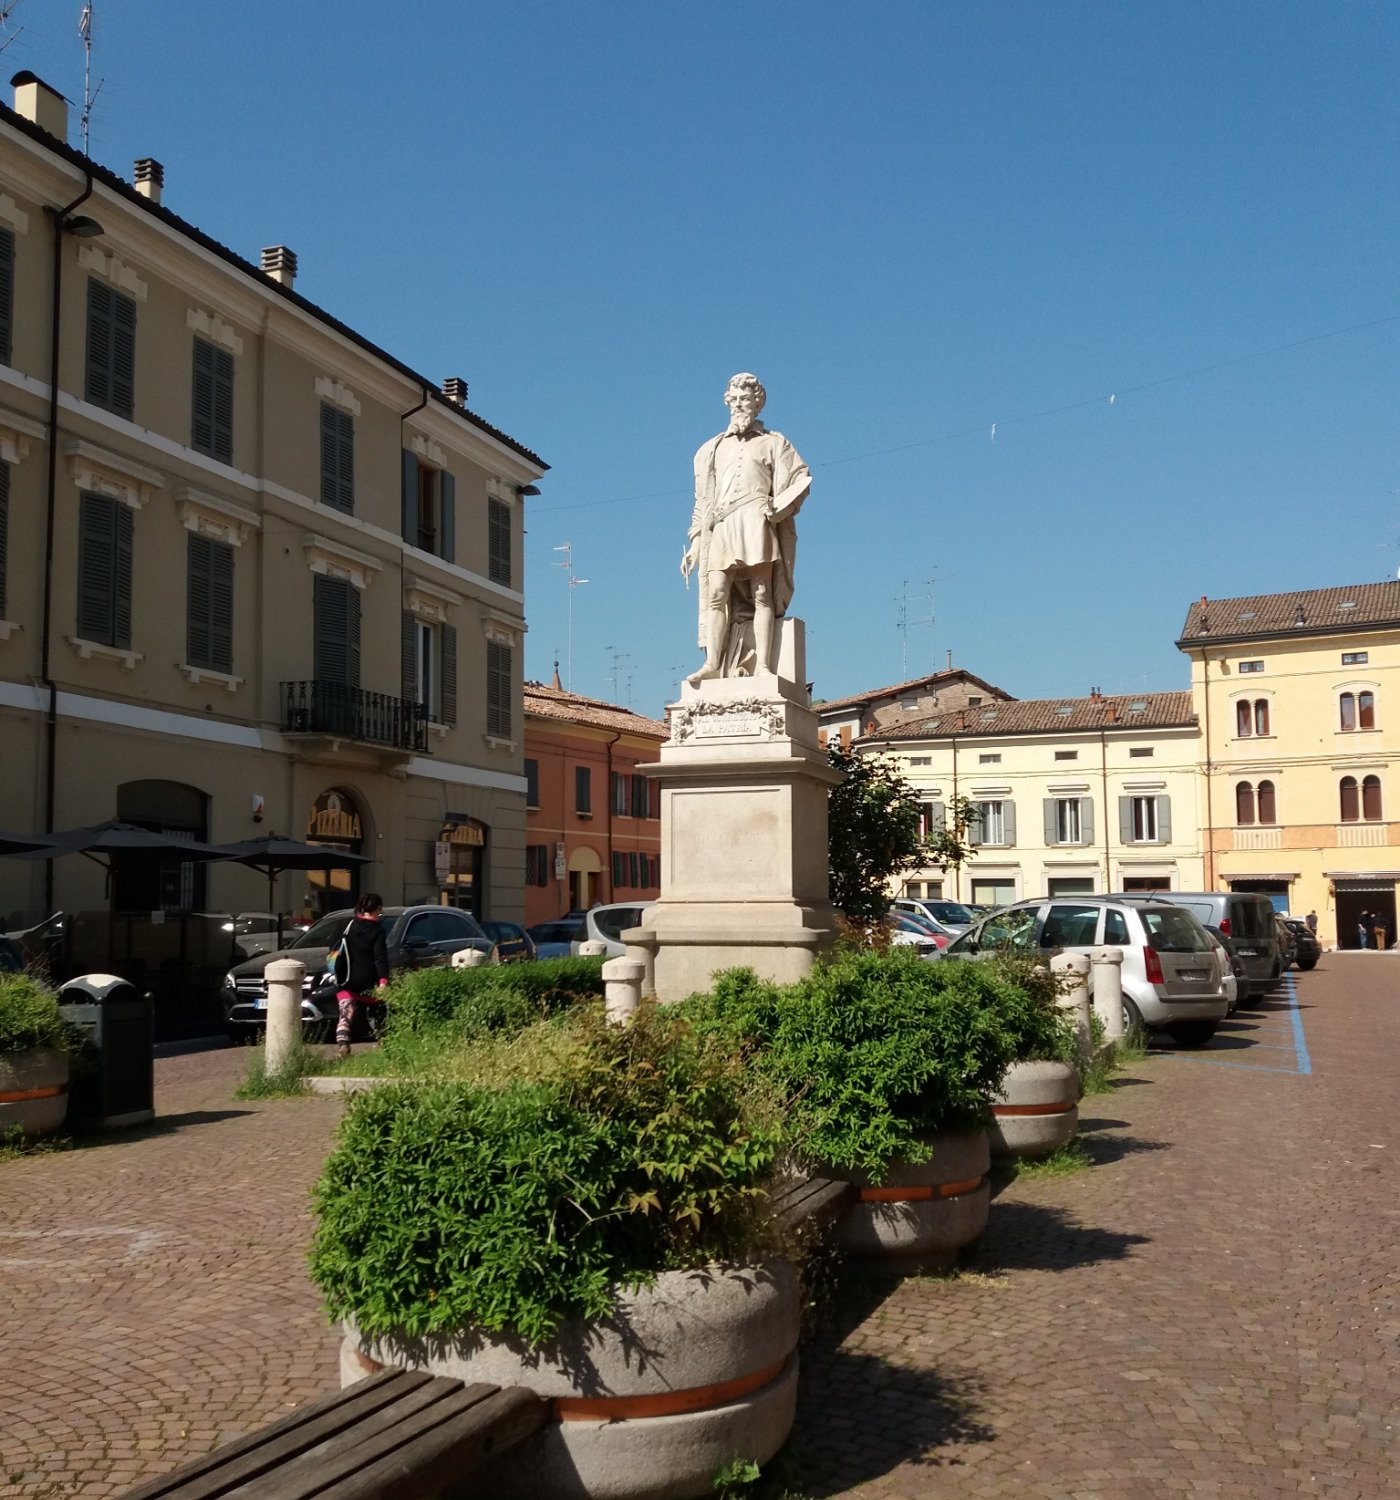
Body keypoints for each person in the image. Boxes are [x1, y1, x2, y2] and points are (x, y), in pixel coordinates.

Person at [681, 373, 811, 682]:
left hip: (757, 519)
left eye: (746, 398)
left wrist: (779, 507)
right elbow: (703, 501)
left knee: (761, 592)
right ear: (728, 401)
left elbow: (800, 479)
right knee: (716, 593)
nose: (740, 404)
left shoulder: (774, 442)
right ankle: (712, 663)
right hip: (723, 523)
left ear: (758, 403)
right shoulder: (710, 449)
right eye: (735, 398)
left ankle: (763, 666)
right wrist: (697, 543)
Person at [334, 892, 389, 1058]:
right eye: (380, 909)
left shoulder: (351, 925)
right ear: (375, 909)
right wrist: (383, 982)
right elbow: (380, 958)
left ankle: (343, 1046)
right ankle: (384, 1045)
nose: (380, 913)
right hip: (369, 981)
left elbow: (337, 948)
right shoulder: (377, 931)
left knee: (345, 1014)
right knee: (377, 1015)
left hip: (347, 980)